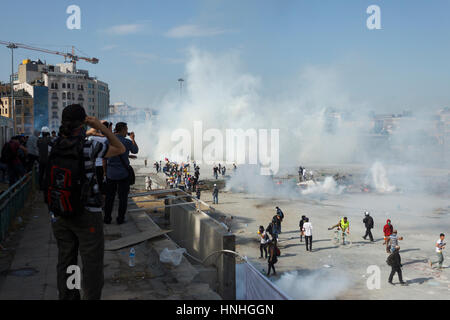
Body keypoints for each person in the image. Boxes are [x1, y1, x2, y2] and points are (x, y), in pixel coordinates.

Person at [48, 104, 126, 300]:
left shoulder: (53, 144)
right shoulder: (89, 146)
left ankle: (69, 296)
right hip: (87, 214)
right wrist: (100, 125)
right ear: (83, 123)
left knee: (67, 262)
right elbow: (120, 147)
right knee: (91, 265)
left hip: (60, 211)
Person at [104, 122, 139, 225]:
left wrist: (105, 172)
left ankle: (107, 218)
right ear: (123, 130)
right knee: (122, 198)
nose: (127, 132)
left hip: (110, 173)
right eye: (126, 130)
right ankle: (120, 219)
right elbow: (135, 150)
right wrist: (132, 138)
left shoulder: (108, 141)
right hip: (123, 174)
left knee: (109, 198)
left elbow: (104, 158)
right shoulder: (127, 142)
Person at [87, 121, 111, 196]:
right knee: (105, 185)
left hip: (94, 165)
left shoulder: (91, 138)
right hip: (105, 165)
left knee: (96, 184)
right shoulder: (108, 139)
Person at [37, 127, 53, 200]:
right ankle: (46, 187)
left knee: (41, 173)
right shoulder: (49, 140)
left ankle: (40, 187)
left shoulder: (39, 140)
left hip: (40, 160)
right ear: (47, 133)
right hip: (47, 160)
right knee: (47, 174)